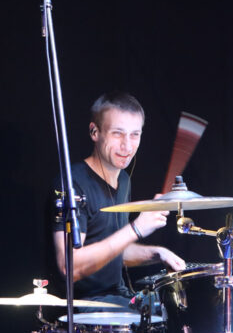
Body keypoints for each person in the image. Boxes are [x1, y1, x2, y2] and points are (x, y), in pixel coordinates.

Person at [52, 91, 185, 306]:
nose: (127, 146)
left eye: (135, 134)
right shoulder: (72, 183)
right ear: (95, 132)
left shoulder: (123, 180)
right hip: (85, 305)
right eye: (117, 133)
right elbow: (69, 266)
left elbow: (113, 252)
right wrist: (136, 229)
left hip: (117, 297)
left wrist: (156, 253)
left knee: (174, 307)